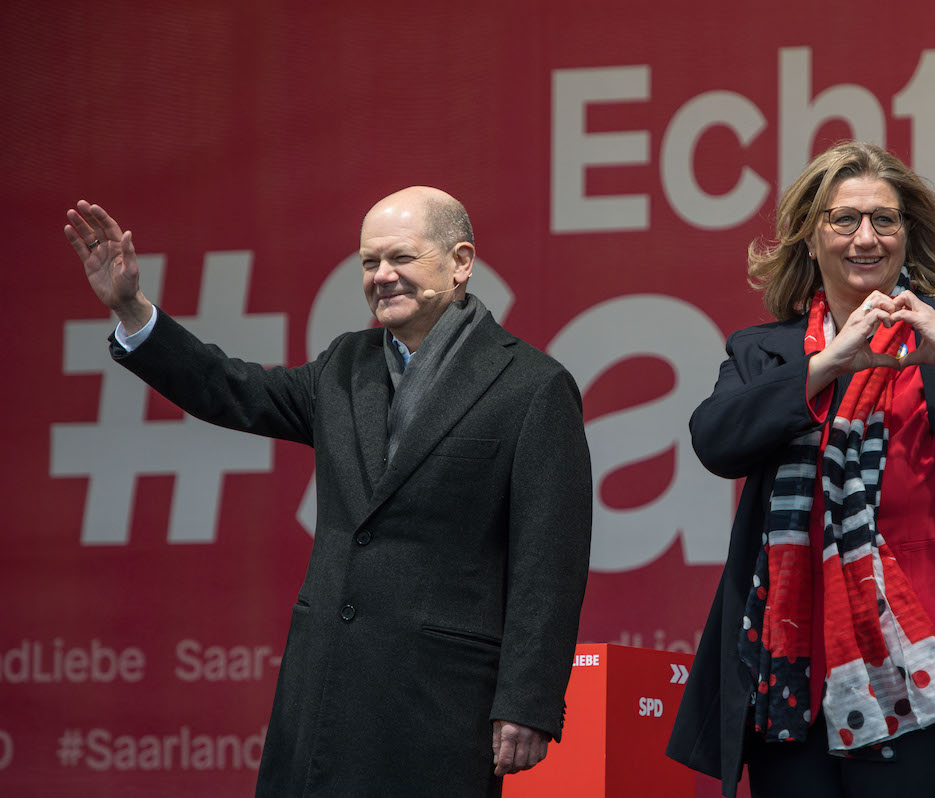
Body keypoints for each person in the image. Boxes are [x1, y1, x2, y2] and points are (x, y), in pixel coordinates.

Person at [63, 187, 593, 797]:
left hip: (442, 700)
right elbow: (232, 389)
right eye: (369, 263)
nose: (382, 276)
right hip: (325, 691)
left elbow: (549, 562)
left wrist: (527, 700)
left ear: (461, 261)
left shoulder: (531, 386)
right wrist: (133, 311)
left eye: (401, 258)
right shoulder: (347, 364)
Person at [666, 142, 935, 798]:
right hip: (794, 684)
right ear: (810, 241)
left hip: (926, 670)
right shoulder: (767, 352)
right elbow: (715, 441)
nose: (865, 237)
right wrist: (827, 366)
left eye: (885, 220)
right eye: (843, 220)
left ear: (909, 236)